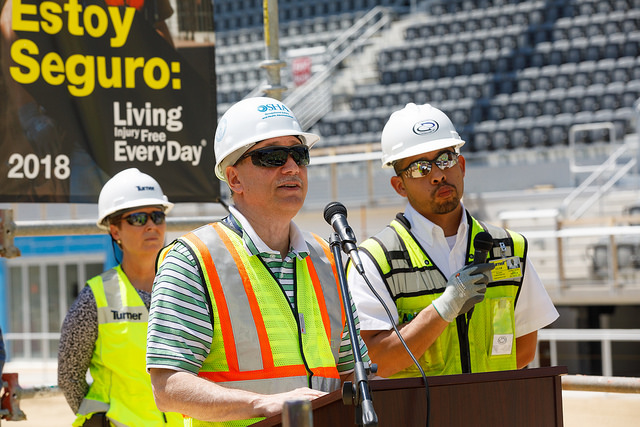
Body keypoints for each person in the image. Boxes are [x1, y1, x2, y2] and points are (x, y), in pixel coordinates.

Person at [147, 96, 369, 426]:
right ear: (234, 179)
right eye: (273, 157)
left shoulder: (329, 258)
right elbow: (167, 387)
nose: (292, 167)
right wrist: (262, 404)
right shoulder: (192, 259)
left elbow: (355, 373)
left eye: (300, 154)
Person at [347, 103, 559, 378]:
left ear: (461, 165)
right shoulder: (373, 260)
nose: (437, 174)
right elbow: (379, 362)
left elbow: (524, 351)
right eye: (420, 168)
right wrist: (444, 309)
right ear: (400, 185)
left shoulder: (510, 247)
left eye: (445, 159)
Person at [58, 168, 182, 427]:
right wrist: (99, 419)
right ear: (114, 231)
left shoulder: (186, 286)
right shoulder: (95, 298)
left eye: (157, 216)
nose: (151, 225)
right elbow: (69, 375)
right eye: (138, 218)